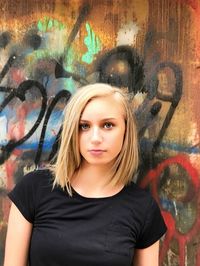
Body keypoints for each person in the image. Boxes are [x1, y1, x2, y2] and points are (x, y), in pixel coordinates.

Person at [4, 83, 167, 266]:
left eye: (108, 125)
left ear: (126, 131)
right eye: (84, 126)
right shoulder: (34, 189)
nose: (95, 138)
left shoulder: (143, 208)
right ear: (72, 131)